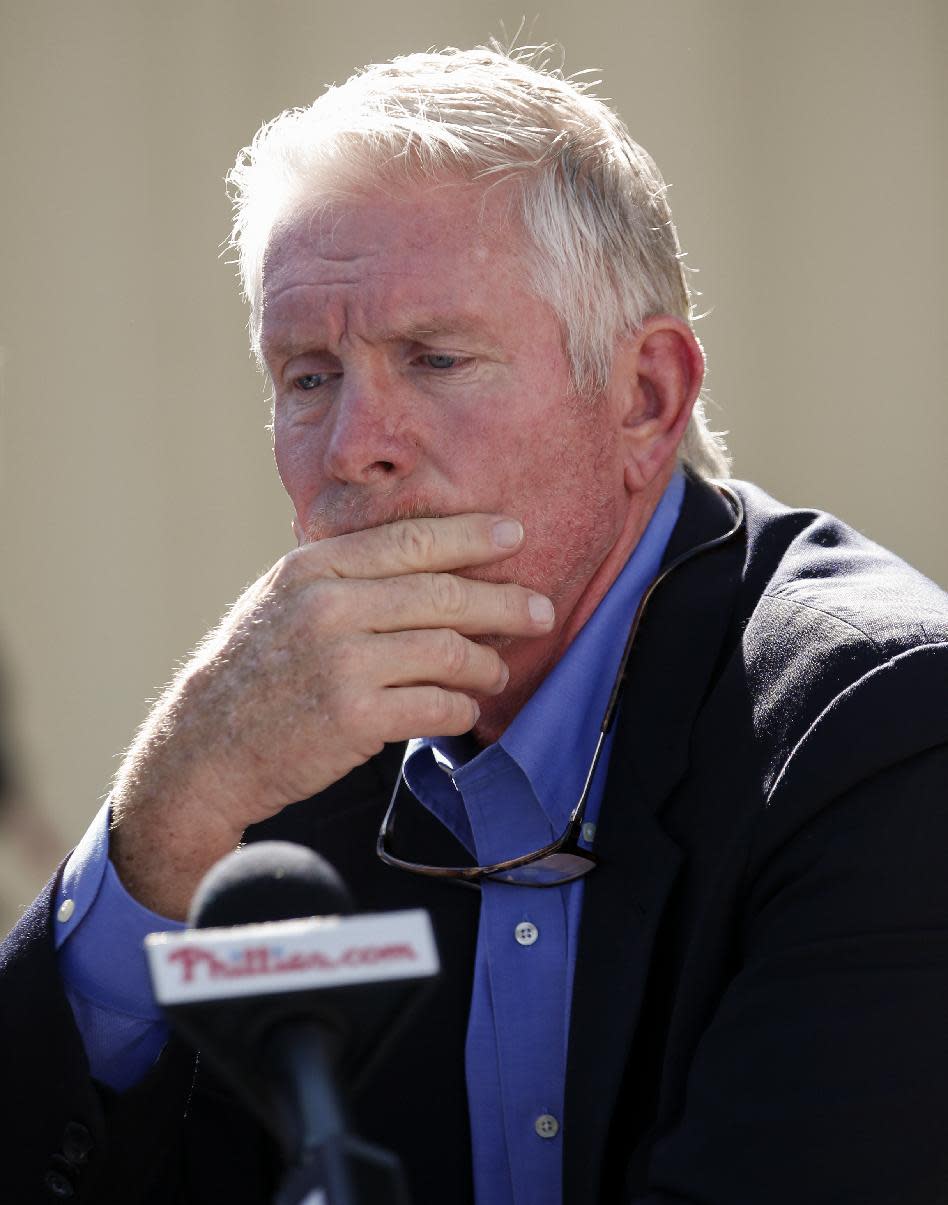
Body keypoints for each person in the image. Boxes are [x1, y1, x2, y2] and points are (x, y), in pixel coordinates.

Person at [2, 43, 947, 1205]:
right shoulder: (277, 745)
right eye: (307, 376)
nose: (354, 447)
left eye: (435, 357)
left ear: (646, 396)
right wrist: (166, 812)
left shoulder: (884, 725)